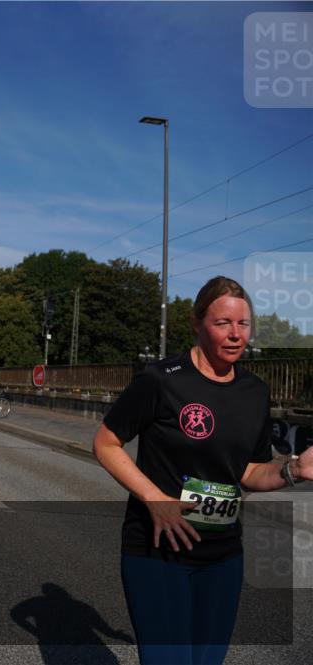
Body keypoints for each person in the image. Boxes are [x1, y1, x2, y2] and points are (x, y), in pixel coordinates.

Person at [93, 276, 313, 665]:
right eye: (222, 323)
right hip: (158, 553)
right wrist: (154, 499)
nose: (235, 335)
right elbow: (106, 443)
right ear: (197, 325)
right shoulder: (161, 380)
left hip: (222, 555)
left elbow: (248, 471)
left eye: (242, 325)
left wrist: (292, 471)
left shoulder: (255, 392)